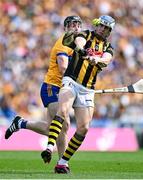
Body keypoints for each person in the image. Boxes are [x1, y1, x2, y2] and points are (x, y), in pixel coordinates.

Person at [41, 15, 115, 173]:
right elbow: (79, 42)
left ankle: (62, 162)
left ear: (109, 32)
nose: (103, 29)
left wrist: (98, 60)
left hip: (88, 88)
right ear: (97, 25)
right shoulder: (85, 34)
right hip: (71, 81)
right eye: (101, 26)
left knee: (84, 128)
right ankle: (49, 147)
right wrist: (82, 51)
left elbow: (107, 59)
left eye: (107, 28)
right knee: (63, 111)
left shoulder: (108, 47)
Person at [5, 16, 82, 159]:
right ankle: (62, 163)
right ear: (65, 28)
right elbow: (63, 68)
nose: (76, 28)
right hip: (52, 88)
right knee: (63, 124)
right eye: (72, 25)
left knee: (51, 128)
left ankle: (20, 123)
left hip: (65, 89)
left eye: (78, 25)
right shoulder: (63, 45)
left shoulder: (79, 45)